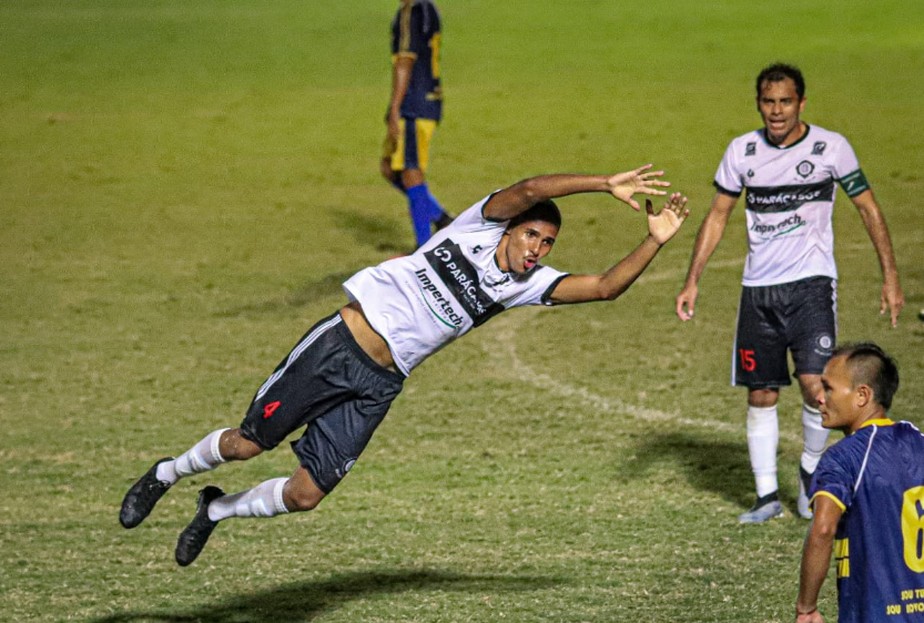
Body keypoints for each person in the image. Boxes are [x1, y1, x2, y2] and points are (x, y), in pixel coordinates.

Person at [120, 164, 690, 566]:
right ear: (512, 228)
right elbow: (532, 186)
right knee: (248, 443)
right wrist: (604, 183)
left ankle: (215, 510)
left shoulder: (527, 286)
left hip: (380, 384)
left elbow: (606, 288)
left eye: (547, 243)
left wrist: (655, 240)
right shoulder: (477, 227)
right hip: (338, 345)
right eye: (533, 235)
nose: (538, 250)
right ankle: (165, 474)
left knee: (305, 495)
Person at [674, 63, 905, 524]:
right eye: (767, 102)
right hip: (758, 291)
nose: (776, 111)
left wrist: (890, 275)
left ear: (801, 103)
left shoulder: (830, 148)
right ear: (758, 103)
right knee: (761, 391)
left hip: (811, 284)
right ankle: (765, 498)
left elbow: (868, 208)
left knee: (816, 384)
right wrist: (692, 278)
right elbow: (717, 215)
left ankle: (809, 472)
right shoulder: (741, 151)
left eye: (785, 102)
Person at [795, 342, 924, 622]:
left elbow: (823, 529)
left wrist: (806, 608)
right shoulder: (920, 443)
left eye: (828, 388)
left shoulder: (843, 457)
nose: (819, 397)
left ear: (862, 395)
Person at [380, 0, 452, 248]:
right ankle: (442, 219)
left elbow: (405, 62)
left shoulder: (410, 11)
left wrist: (396, 108)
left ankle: (425, 247)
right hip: (429, 99)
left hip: (414, 105)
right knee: (390, 167)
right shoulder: (428, 7)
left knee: (411, 173)